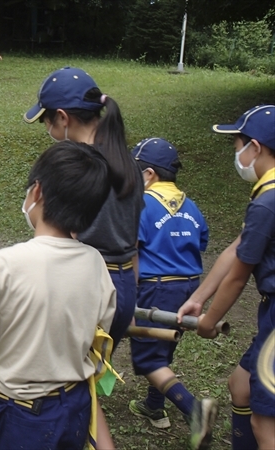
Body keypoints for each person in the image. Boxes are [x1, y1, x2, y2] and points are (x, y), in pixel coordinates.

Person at [0, 141, 116, 450]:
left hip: (24, 416)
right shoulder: (96, 262)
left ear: (36, 192)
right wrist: (3, 324)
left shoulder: (3, 265)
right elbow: (89, 327)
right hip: (76, 403)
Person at [23, 67, 144, 450]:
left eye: (46, 119)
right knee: (85, 381)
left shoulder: (79, 168)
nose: (47, 128)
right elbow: (134, 242)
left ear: (62, 117)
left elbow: (62, 242)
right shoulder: (128, 161)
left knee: (70, 385)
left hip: (86, 288)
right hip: (122, 286)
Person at [178, 104, 275, 450]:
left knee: (267, 427)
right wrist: (198, 299)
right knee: (242, 384)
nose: (236, 153)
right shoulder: (267, 195)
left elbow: (238, 275)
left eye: (237, 144)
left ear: (256, 148)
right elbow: (236, 249)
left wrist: (209, 320)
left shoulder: (268, 202)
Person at [127, 137, 217, 449]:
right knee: (163, 343)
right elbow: (201, 241)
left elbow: (133, 251)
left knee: (149, 359)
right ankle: (154, 406)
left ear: (149, 174)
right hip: (189, 286)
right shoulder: (190, 205)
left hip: (156, 288)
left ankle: (194, 410)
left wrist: (130, 290)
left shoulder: (141, 204)